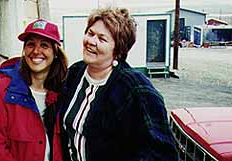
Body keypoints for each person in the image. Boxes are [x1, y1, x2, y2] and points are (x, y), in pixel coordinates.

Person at [59, 7, 178, 161]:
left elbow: (163, 153)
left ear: (119, 49)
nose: (91, 41)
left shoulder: (135, 89)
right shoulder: (75, 73)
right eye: (90, 33)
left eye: (102, 39)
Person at [0, 19, 68, 161]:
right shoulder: (1, 92)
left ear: (55, 53)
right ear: (24, 51)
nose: (36, 51)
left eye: (44, 45)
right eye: (31, 44)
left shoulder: (65, 92)